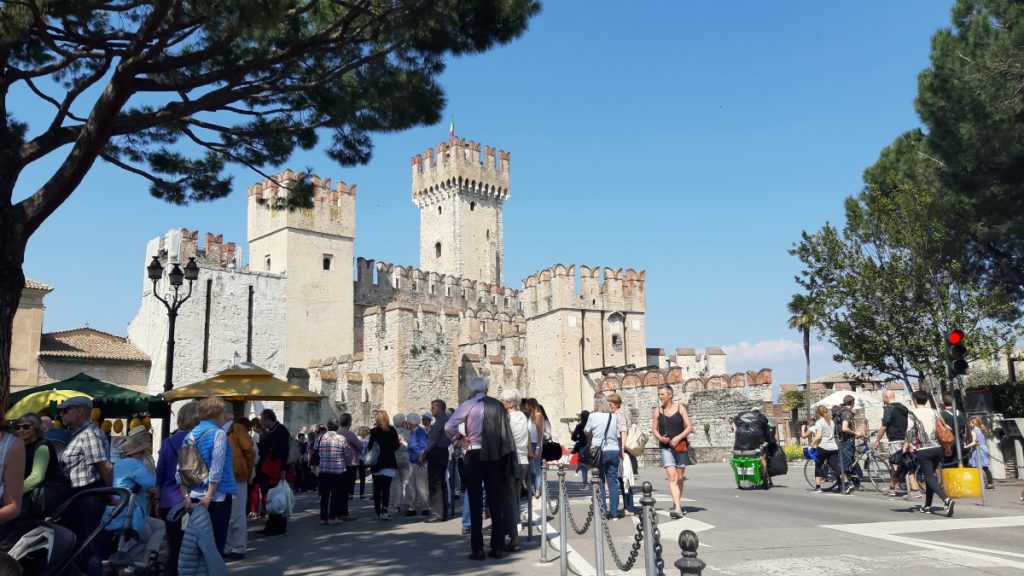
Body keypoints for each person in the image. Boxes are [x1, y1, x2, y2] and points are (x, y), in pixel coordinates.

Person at [446, 377, 515, 561]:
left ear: (472, 390)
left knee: (475, 501)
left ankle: (477, 549)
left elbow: (449, 426)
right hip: (494, 456)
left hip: (474, 453)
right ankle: (497, 547)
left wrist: (459, 437)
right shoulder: (498, 406)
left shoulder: (468, 405)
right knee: (495, 501)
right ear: (486, 388)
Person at [57, 396, 110, 575]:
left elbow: (105, 467)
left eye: (65, 410)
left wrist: (110, 494)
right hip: (78, 497)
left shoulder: (90, 434)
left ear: (79, 410)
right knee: (79, 546)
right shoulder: (78, 435)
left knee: (88, 547)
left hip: (88, 496)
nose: (61, 414)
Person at [178, 396, 236, 555]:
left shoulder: (190, 435)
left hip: (193, 496)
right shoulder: (218, 434)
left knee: (197, 545)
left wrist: (185, 496)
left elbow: (181, 469)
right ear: (217, 413)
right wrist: (209, 497)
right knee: (216, 546)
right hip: (216, 497)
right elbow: (216, 470)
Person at [104, 428, 165, 569]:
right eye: (142, 451)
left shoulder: (119, 463)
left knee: (159, 526)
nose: (144, 453)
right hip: (130, 514)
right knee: (149, 535)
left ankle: (139, 560)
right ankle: (138, 561)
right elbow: (153, 484)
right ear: (137, 452)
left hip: (117, 512)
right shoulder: (135, 464)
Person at [156, 400, 199, 576]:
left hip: (168, 502)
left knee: (174, 545)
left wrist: (157, 500)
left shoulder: (167, 443)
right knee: (189, 546)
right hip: (188, 502)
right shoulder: (194, 442)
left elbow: (160, 473)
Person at [907, 390, 954, 516]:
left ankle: (946, 499)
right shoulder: (935, 411)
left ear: (915, 400)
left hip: (923, 449)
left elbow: (910, 430)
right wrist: (947, 447)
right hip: (938, 448)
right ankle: (927, 505)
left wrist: (910, 445)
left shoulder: (912, 413)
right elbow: (945, 428)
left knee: (929, 477)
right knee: (930, 476)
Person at [14, 413, 65, 521]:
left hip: (42, 503)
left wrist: (12, 493)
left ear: (36, 427)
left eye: (26, 426)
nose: (21, 430)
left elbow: (36, 477)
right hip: (27, 499)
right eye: (18, 427)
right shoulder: (21, 447)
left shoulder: (42, 446)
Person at [651, 385, 691, 518]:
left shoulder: (681, 408)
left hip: (680, 446)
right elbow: (654, 429)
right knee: (672, 477)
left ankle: (676, 502)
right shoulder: (658, 411)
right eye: (659, 395)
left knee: (679, 478)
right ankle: (678, 508)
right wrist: (660, 438)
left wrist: (678, 437)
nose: (660, 397)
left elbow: (689, 427)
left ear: (670, 395)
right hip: (665, 447)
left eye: (662, 394)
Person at [872, 390, 920, 498]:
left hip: (895, 439)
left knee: (896, 464)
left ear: (886, 397)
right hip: (907, 439)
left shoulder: (889, 408)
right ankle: (893, 487)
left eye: (883, 398)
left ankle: (912, 489)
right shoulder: (904, 408)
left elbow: (884, 426)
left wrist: (877, 440)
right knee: (907, 463)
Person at [224, 406, 255, 562]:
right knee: (227, 514)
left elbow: (249, 450)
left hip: (237, 476)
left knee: (236, 515)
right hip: (223, 478)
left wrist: (247, 470)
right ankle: (228, 546)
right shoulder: (218, 430)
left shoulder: (236, 429)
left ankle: (238, 547)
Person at [499, 389, 528, 550]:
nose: (501, 403)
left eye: (502, 401)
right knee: (515, 498)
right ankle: (514, 527)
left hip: (512, 461)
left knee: (509, 500)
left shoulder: (508, 418)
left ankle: (514, 539)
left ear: (509, 403)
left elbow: (506, 439)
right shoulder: (523, 416)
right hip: (522, 459)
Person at [585, 394, 621, 519]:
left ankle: (603, 511)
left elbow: (586, 431)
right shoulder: (613, 416)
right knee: (612, 482)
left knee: (599, 481)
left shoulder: (593, 416)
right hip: (613, 450)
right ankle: (615, 513)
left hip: (599, 451)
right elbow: (617, 434)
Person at [255, 409, 289, 517]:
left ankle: (277, 524)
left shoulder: (280, 430)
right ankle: (271, 522)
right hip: (269, 468)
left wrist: (283, 469)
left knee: (276, 495)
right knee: (270, 494)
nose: (261, 423)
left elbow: (284, 451)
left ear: (267, 419)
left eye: (262, 420)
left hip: (275, 468)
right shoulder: (272, 431)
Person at [367, 410, 400, 520]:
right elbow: (396, 446)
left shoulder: (374, 431)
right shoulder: (392, 430)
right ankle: (385, 510)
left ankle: (377, 511)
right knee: (386, 489)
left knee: (377, 488)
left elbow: (370, 447)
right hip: (389, 462)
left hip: (376, 463)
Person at [420, 401, 450, 523]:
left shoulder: (440, 422)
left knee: (435, 484)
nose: (431, 410)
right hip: (442, 452)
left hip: (437, 453)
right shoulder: (444, 420)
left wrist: (424, 453)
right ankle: (442, 512)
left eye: (433, 408)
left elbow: (433, 440)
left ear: (440, 408)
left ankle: (438, 513)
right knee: (441, 483)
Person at [809, 405, 849, 494]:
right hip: (833, 447)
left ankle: (818, 487)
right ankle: (846, 483)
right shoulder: (831, 422)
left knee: (818, 466)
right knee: (836, 467)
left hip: (823, 447)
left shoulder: (819, 422)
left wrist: (812, 443)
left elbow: (819, 436)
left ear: (818, 413)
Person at [316, 419, 348, 525]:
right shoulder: (342, 439)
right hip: (337, 470)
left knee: (324, 495)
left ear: (328, 426)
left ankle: (322, 518)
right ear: (337, 426)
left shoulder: (321, 437)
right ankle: (332, 517)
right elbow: (347, 453)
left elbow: (317, 450)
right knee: (335, 494)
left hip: (324, 469)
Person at [731, 406, 772, 488]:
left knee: (739, 459)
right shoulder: (760, 418)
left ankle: (740, 479)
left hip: (739, 446)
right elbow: (768, 427)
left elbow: (733, 426)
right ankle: (764, 476)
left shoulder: (741, 419)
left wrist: (736, 432)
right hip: (756, 443)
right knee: (761, 457)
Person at [336, 414, 362, 521]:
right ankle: (344, 512)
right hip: (350, 463)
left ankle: (338, 511)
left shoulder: (337, 432)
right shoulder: (349, 434)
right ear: (349, 422)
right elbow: (360, 446)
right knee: (346, 489)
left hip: (339, 463)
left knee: (340, 488)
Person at [406, 411, 430, 516]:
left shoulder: (420, 432)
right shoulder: (412, 432)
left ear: (411, 422)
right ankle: (412, 507)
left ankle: (426, 506)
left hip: (420, 463)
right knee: (412, 486)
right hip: (412, 462)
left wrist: (421, 458)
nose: (406, 424)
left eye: (407, 422)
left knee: (421, 486)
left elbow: (423, 446)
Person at [837, 395, 862, 490]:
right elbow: (844, 428)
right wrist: (855, 432)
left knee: (851, 462)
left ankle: (854, 482)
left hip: (841, 440)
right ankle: (845, 485)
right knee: (844, 464)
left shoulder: (840, 411)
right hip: (846, 441)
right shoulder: (847, 413)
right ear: (852, 403)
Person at [964, 416, 994, 489]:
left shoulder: (974, 431)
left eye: (970, 422)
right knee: (985, 468)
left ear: (974, 423)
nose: (969, 424)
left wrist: (966, 446)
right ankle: (990, 484)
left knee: (974, 467)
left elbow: (974, 442)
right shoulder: (981, 429)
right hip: (984, 448)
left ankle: (975, 484)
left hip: (978, 449)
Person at [940, 395, 968, 465]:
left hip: (948, 443)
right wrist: (964, 441)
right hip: (960, 441)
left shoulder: (942, 414)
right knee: (960, 463)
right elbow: (965, 429)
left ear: (943, 403)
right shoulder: (960, 413)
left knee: (949, 464)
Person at [570, 410, 591, 484]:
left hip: (582, 445)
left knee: (583, 464)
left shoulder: (579, 426)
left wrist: (578, 439)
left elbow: (573, 437)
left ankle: (585, 482)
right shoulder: (591, 425)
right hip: (592, 445)